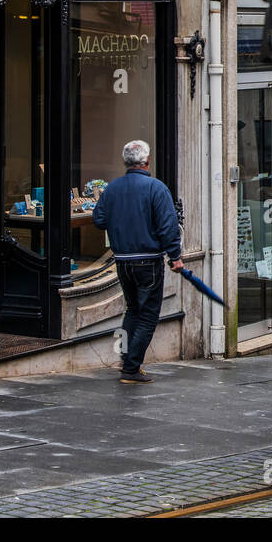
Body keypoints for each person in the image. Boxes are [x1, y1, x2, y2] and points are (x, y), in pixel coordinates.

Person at [93, 140, 183, 383]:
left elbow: (99, 219)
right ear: (147, 161)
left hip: (122, 261)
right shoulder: (156, 188)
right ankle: (131, 368)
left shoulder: (112, 189)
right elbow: (168, 227)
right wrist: (175, 256)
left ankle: (126, 361)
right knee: (148, 315)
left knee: (132, 310)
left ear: (125, 162)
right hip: (148, 261)